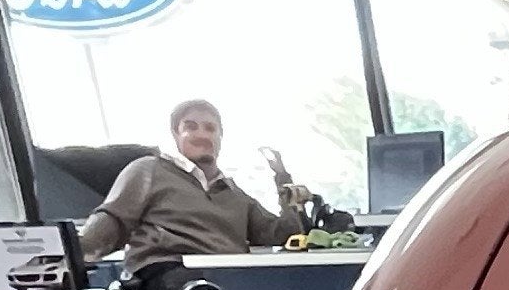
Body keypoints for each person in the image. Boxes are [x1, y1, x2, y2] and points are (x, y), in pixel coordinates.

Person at [77, 99, 328, 264]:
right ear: (176, 134)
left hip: (231, 284)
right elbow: (110, 223)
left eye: (210, 128)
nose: (201, 135)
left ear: (221, 136)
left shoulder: (233, 194)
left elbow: (283, 236)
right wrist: (71, 256)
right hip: (168, 278)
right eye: (191, 127)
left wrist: (284, 183)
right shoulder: (149, 170)